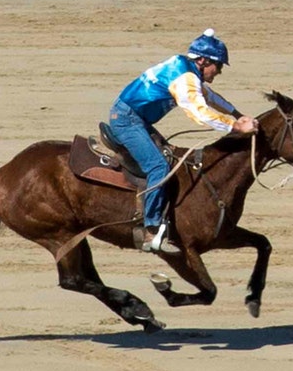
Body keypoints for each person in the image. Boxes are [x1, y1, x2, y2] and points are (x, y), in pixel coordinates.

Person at [108, 30, 257, 253]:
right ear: (204, 60)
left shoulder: (184, 66)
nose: (219, 71)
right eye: (218, 66)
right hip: (128, 121)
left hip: (136, 118)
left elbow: (209, 96)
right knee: (159, 166)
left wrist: (237, 114)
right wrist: (235, 127)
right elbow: (201, 113)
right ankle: (150, 228)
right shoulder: (184, 78)